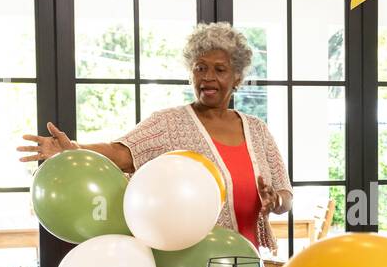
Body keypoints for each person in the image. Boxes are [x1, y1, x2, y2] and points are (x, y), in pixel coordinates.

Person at [18, 22, 291, 251]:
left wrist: (275, 200)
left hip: (249, 264)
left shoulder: (257, 129)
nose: (208, 78)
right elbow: (123, 154)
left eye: (220, 70)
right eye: (200, 68)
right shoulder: (168, 123)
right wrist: (74, 149)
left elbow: (285, 194)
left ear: (237, 78)